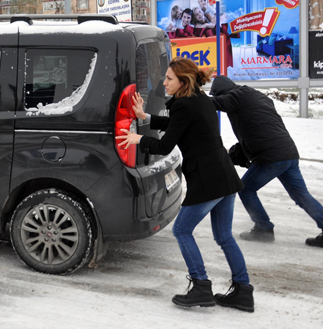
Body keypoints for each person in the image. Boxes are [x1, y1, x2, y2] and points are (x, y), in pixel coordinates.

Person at [116, 58, 254, 312]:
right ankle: (243, 291)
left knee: (181, 230)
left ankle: (201, 285)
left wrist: (138, 138)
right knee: (224, 236)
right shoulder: (199, 99)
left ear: (183, 81)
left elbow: (165, 145)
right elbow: (177, 126)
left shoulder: (183, 105)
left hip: (207, 179)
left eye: (169, 78)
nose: (164, 82)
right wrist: (145, 116)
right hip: (224, 174)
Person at [210, 75, 323, 248]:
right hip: (288, 153)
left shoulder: (236, 96)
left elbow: (212, 103)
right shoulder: (255, 95)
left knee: (245, 188)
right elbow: (257, 125)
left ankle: (263, 227)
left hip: (271, 157)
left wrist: (188, 98)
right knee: (301, 195)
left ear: (222, 93)